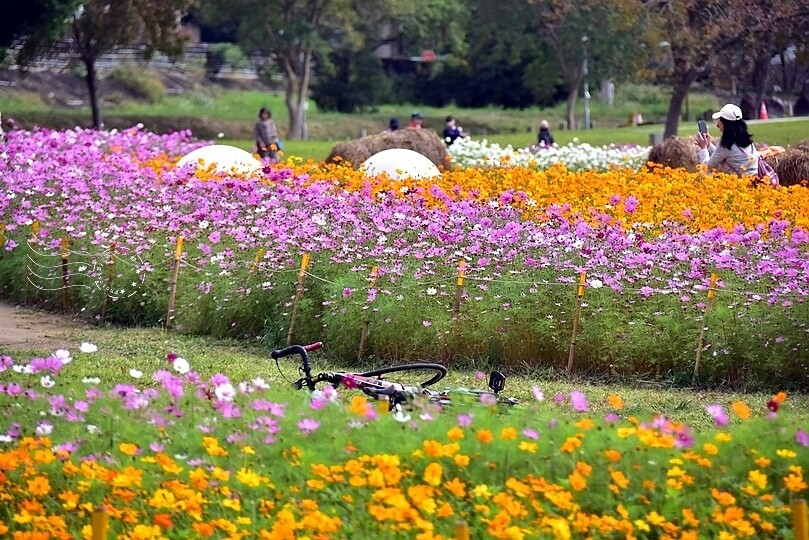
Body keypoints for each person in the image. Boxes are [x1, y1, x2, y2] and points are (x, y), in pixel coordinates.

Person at [694, 104, 757, 176]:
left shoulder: (727, 144)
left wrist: (703, 148)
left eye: (719, 120)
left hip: (740, 182)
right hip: (755, 180)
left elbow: (706, 167)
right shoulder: (746, 140)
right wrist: (708, 145)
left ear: (725, 124)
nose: (717, 124)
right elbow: (720, 155)